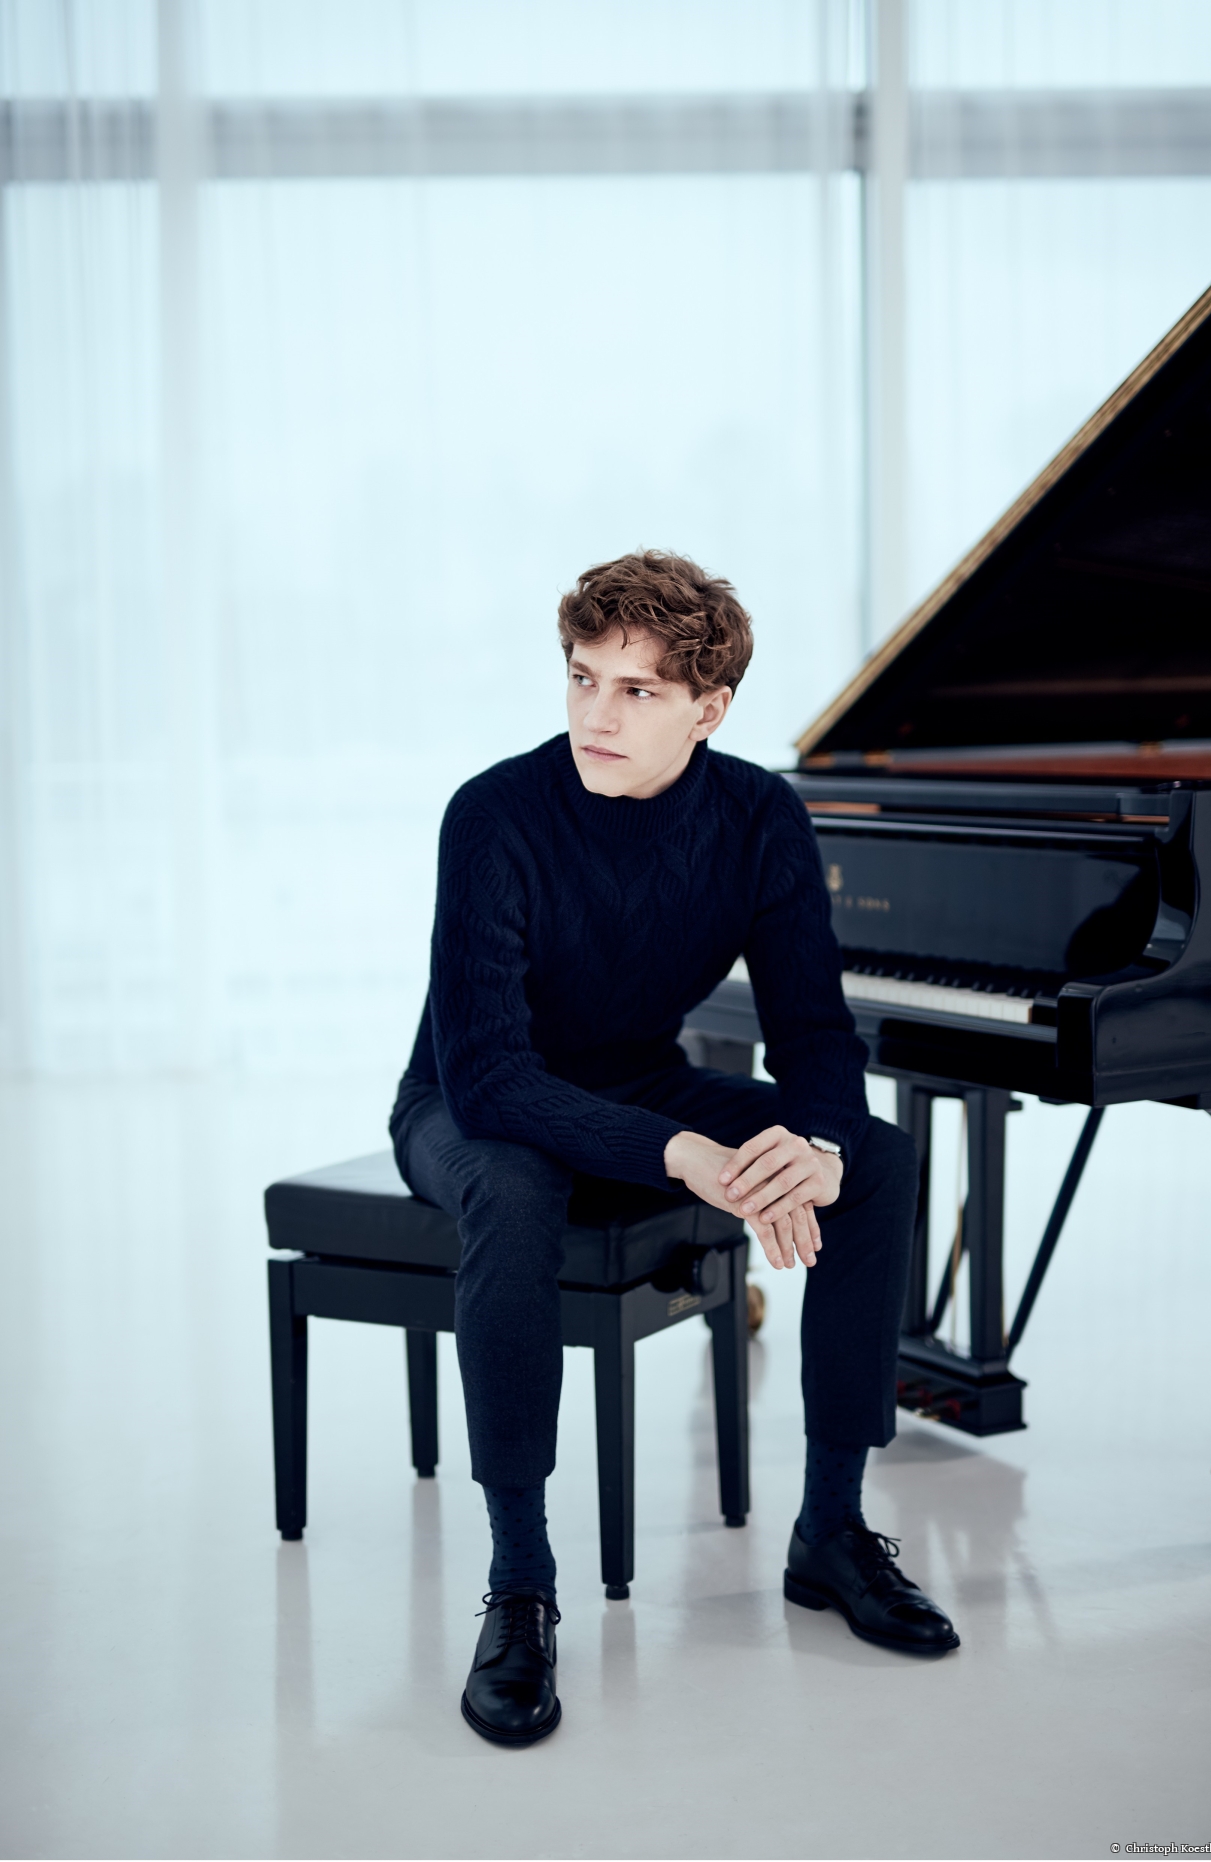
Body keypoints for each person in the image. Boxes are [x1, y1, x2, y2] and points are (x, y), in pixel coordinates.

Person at [389, 550, 959, 1746]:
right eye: (584, 677)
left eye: (638, 691)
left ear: (711, 708)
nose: (598, 712)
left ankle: (833, 1529)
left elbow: (812, 1029)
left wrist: (821, 1149)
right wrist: (687, 1154)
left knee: (883, 1158)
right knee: (511, 1175)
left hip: (640, 1081)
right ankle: (521, 1579)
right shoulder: (492, 813)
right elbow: (490, 1075)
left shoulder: (759, 816)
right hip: (467, 1101)